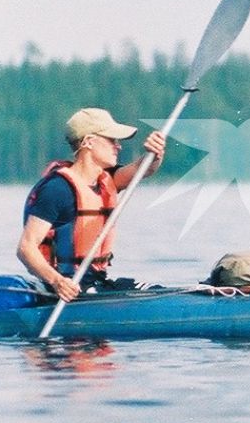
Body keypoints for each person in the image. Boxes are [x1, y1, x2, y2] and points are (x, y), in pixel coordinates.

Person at [18, 108, 167, 301]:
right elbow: (26, 248)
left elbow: (142, 169)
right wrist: (57, 282)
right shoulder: (57, 189)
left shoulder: (107, 179)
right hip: (66, 290)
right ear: (88, 141)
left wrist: (155, 154)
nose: (118, 146)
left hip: (95, 283)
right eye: (111, 140)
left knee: (156, 290)